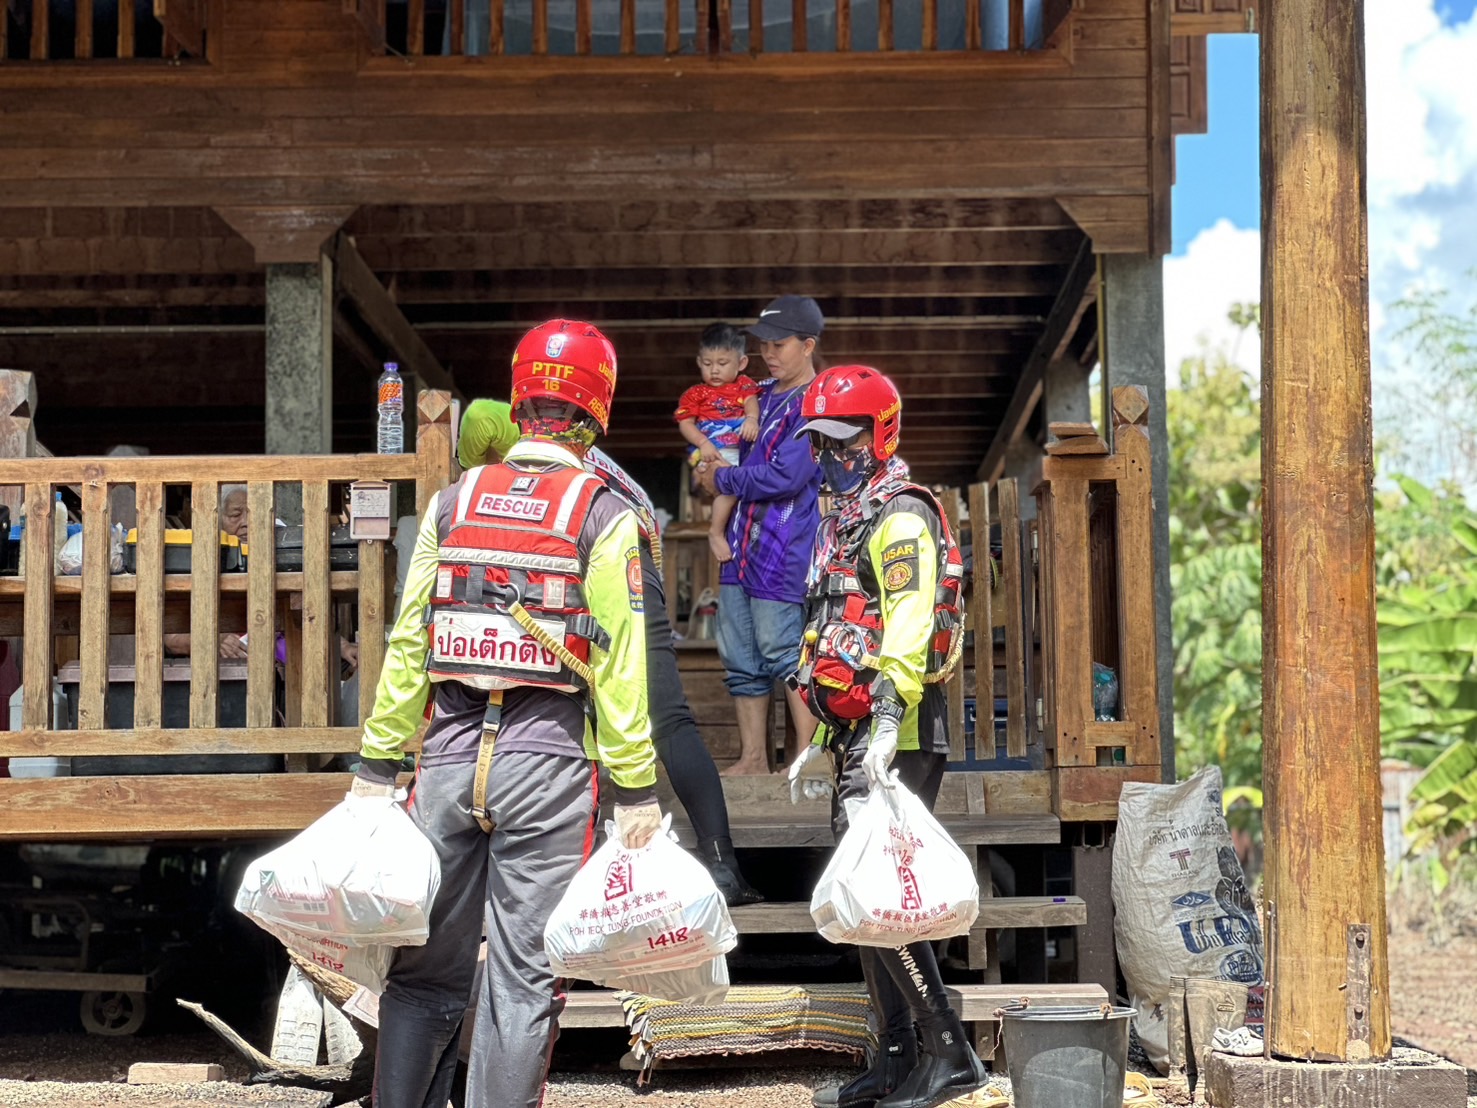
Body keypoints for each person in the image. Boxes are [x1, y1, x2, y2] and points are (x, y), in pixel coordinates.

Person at [352, 320, 664, 1108]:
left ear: (518, 401)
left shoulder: (451, 502)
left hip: (447, 764)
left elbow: (410, 638)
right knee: (524, 979)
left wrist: (376, 763)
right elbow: (620, 663)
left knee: (421, 972)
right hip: (548, 766)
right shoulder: (604, 513)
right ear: (597, 411)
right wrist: (635, 787)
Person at [458, 397, 761, 906]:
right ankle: (723, 866)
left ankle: (586, 881)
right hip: (633, 562)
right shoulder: (595, 459)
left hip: (576, 560)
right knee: (668, 718)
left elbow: (479, 419)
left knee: (572, 714)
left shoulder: (514, 436)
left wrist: (469, 473)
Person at [786, 365, 986, 1108]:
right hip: (857, 729)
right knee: (865, 896)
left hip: (895, 729)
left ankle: (950, 1054)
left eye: (846, 442)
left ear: (880, 435)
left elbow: (906, 620)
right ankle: (896, 1054)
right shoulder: (845, 519)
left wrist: (889, 718)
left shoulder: (900, 514)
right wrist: (824, 736)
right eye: (823, 444)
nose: (833, 457)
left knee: (884, 894)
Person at [695, 295, 825, 776]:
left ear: (808, 346)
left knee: (784, 651)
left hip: (782, 544)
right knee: (741, 657)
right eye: (764, 344)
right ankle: (753, 758)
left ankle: (808, 761)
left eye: (780, 344)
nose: (768, 352)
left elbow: (787, 476)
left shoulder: (816, 403)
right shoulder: (755, 394)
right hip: (738, 546)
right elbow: (718, 444)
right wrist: (706, 466)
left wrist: (723, 479)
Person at [673, 322, 761, 564]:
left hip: (740, 450)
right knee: (730, 487)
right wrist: (703, 443)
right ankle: (716, 531)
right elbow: (685, 424)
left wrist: (752, 419)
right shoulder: (694, 394)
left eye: (722, 363)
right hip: (712, 450)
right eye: (707, 363)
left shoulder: (744, 385)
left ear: (741, 363)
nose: (714, 370)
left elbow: (751, 403)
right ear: (698, 362)